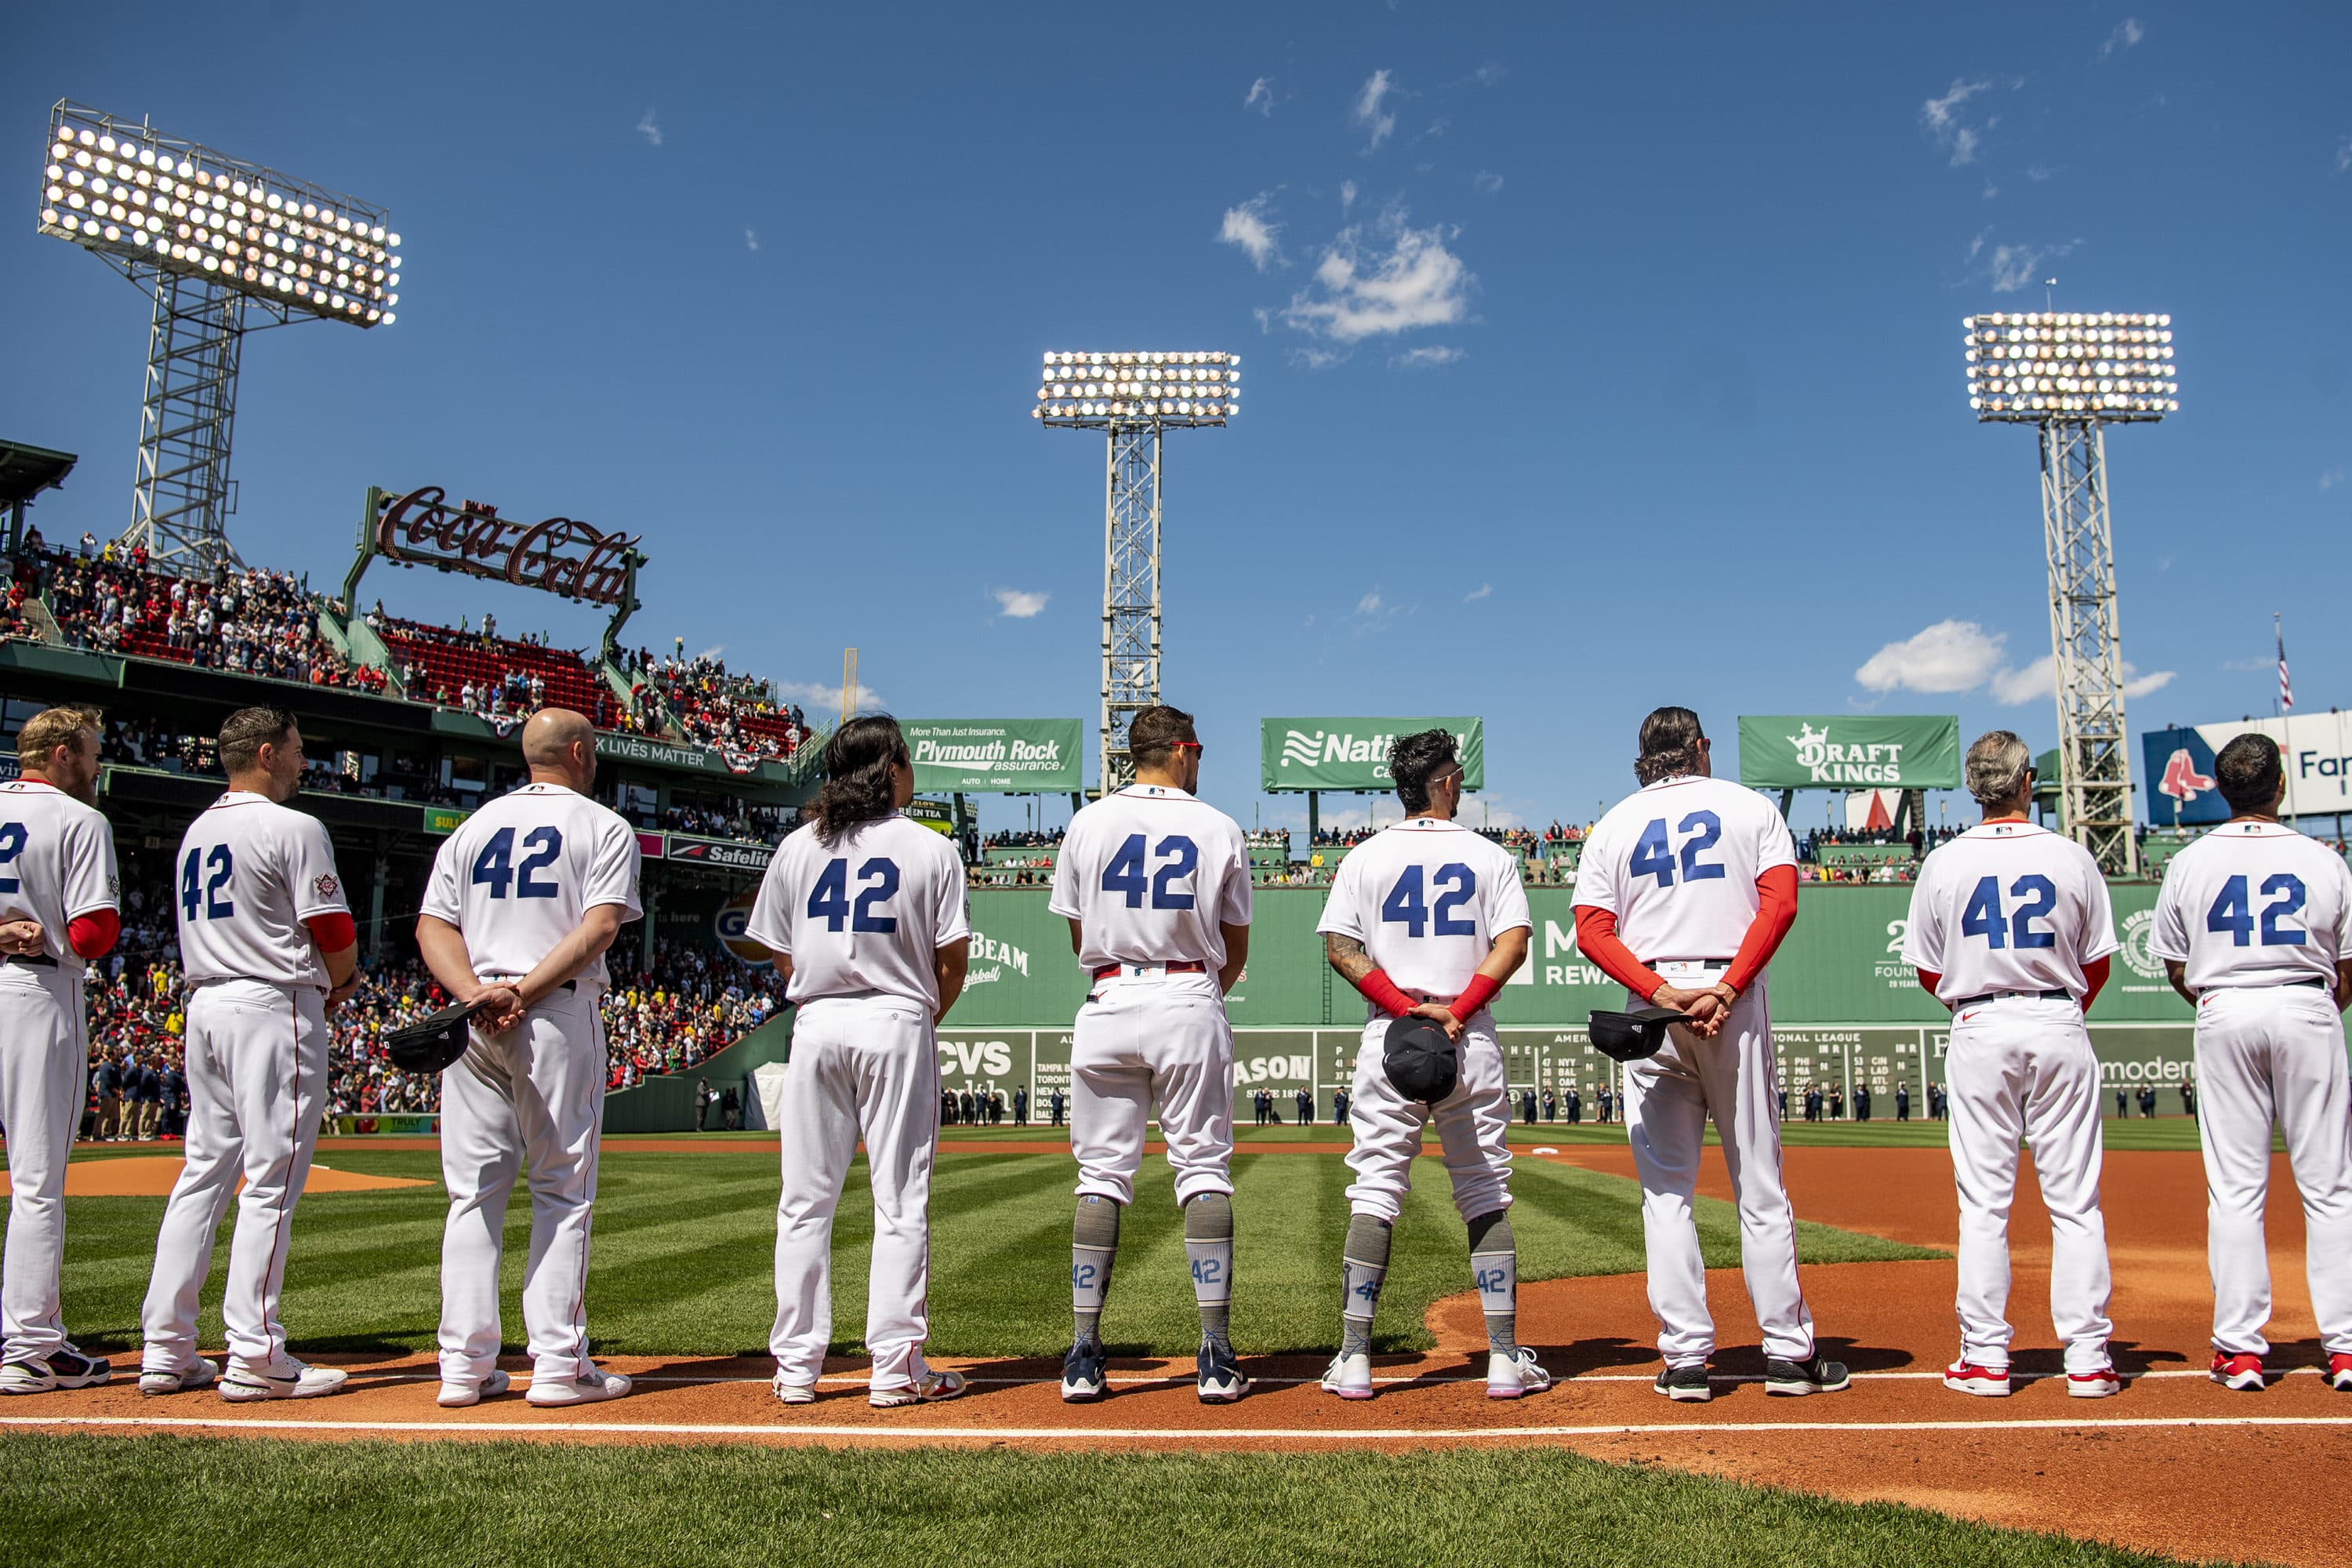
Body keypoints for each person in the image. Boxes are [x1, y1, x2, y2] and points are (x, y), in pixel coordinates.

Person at [1572, 706, 1846, 1403]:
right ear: (1701, 748)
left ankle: (1687, 1360)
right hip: (1733, 995)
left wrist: (1663, 990)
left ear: (1643, 757)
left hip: (1653, 1004)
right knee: (1759, 1184)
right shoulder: (1750, 806)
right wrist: (1723, 987)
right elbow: (1779, 905)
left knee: (1666, 1193)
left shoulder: (1613, 824)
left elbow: (1592, 932)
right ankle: (1787, 1354)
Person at [416, 707, 644, 1410]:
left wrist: (478, 995)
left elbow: (433, 927)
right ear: (578, 752)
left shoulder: (473, 826)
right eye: (595, 750)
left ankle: (463, 1366)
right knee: (562, 1191)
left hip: (475, 1018)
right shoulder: (604, 825)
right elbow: (600, 926)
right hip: (551, 1013)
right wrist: (522, 991)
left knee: (473, 1196)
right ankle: (557, 1364)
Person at [745, 715, 971, 1408]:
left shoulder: (795, 846)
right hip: (897, 1016)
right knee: (901, 1201)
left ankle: (795, 1369)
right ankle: (895, 1370)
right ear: (892, 767)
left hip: (816, 1019)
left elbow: (779, 951)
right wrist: (915, 1017)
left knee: (803, 1203)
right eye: (906, 759)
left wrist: (819, 993)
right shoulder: (931, 848)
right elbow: (952, 964)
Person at [1315, 729, 1547, 1402]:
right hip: (1466, 1034)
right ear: (1443, 784)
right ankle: (1503, 1359)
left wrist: (1406, 1008)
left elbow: (1339, 947)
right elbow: (1514, 943)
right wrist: (1457, 1009)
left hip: (1392, 1036)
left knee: (1376, 1190)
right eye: (1458, 776)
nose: (1462, 785)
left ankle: (1355, 1359)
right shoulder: (1487, 854)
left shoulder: (1365, 856)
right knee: (1483, 1190)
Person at [140, 707, 358, 1401]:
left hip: (205, 1001)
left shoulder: (200, 828)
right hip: (271, 1000)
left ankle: (166, 1347)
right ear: (266, 752)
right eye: (296, 750)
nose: (303, 761)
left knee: (203, 1173)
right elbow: (330, 925)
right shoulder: (295, 826)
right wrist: (347, 980)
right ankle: (256, 1356)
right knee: (272, 1180)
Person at [1904, 730, 2121, 1399]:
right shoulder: (2071, 855)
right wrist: (2053, 1002)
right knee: (2076, 1202)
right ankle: (2087, 1358)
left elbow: (1927, 968)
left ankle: (1987, 1357)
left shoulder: (1943, 862)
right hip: (2058, 1016)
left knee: (1984, 1205)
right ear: (2028, 781)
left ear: (1974, 788)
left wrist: (1983, 1003)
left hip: (1979, 1021)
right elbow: (2098, 963)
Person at [1048, 705, 1254, 1406]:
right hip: (1187, 993)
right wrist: (1193, 995)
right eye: (1197, 750)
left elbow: (1080, 938)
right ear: (1180, 750)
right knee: (1202, 1168)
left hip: (1106, 1000)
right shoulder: (1218, 824)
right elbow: (1237, 947)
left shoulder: (1086, 823)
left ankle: (1082, 1354)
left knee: (1100, 1177)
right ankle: (1218, 1357)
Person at [2147, 731, 2352, 1395]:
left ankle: (2240, 1351)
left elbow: (2177, 967)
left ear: (2220, 787)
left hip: (2226, 1006)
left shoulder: (2189, 860)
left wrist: (2221, 1003)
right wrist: (2313, 1008)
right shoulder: (2324, 859)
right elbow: (2347, 968)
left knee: (2236, 1189)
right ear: (2281, 784)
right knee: (2330, 1188)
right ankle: (2345, 1349)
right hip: (2307, 1003)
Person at [0, 708, 122, 1395]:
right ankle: (30, 1346)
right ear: (63, 752)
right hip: (36, 995)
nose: (98, 765)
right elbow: (93, 934)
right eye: (93, 753)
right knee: (37, 1180)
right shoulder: (80, 821)